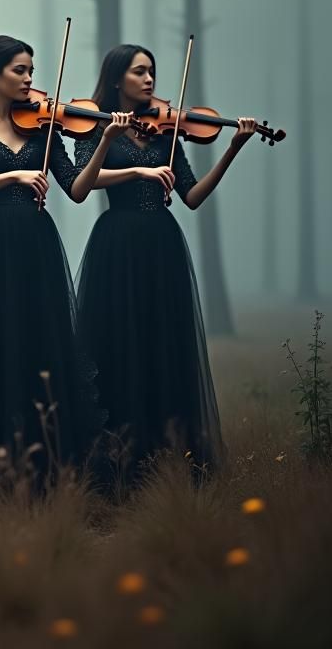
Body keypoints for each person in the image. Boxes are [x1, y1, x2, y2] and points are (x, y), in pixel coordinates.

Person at [0, 35, 129, 496]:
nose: (30, 79)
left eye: (32, 70)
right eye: (19, 70)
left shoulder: (45, 129)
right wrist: (13, 175)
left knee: (41, 348)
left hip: (37, 249)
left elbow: (76, 188)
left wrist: (106, 140)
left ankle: (47, 471)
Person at [73, 43, 256, 487]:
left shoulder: (166, 132)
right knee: (115, 347)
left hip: (162, 246)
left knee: (162, 346)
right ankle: (113, 464)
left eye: (152, 71)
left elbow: (191, 197)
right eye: (139, 72)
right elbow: (82, 184)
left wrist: (232, 148)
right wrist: (116, 148)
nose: (150, 79)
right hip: (115, 245)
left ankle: (165, 458)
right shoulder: (93, 125)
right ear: (118, 79)